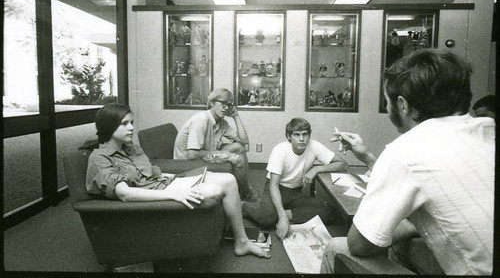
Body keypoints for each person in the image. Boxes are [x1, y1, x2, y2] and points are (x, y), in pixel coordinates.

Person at [320, 49, 494, 275]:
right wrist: (366, 157)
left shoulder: (405, 151)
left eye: (387, 101)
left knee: (336, 248)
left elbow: (358, 245)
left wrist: (411, 225)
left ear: (402, 105)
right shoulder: (488, 130)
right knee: (402, 245)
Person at [86, 104, 270, 259]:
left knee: (229, 179)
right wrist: (173, 193)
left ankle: (242, 241)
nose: (131, 128)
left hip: (167, 184)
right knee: (214, 190)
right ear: (109, 127)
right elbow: (124, 194)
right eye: (124, 124)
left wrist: (181, 177)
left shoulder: (132, 149)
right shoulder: (100, 158)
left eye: (131, 123)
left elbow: (150, 173)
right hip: (159, 197)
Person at [242, 118, 348, 240]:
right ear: (289, 136)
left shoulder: (314, 146)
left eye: (305, 134)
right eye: (296, 135)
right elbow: (273, 185)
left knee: (330, 212)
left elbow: (342, 163)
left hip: (295, 191)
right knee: (266, 219)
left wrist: (315, 170)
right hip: (276, 188)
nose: (301, 139)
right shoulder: (280, 150)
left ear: (309, 136)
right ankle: (244, 207)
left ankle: (281, 213)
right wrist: (281, 218)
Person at [174, 88, 257, 201]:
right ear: (212, 103)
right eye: (223, 103)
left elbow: (244, 141)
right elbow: (192, 154)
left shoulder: (222, 123)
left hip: (204, 153)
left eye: (229, 105)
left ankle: (244, 190)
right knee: (236, 159)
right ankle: (247, 193)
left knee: (239, 148)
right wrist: (225, 155)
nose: (226, 108)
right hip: (186, 165)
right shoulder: (201, 119)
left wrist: (236, 116)